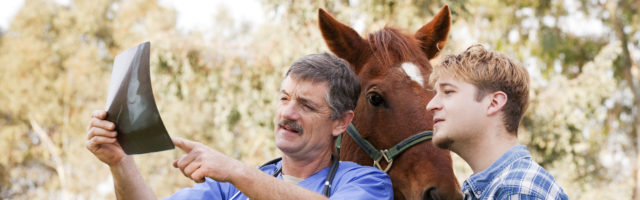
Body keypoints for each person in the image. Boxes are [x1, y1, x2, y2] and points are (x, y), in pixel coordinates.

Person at [86, 53, 393, 200]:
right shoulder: (228, 190)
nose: (287, 112)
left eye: (306, 105)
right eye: (284, 98)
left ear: (341, 121)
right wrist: (119, 161)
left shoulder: (367, 184)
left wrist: (236, 170)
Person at [426, 44, 569, 199]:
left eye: (448, 92)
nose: (431, 105)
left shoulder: (517, 190)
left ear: (494, 103)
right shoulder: (486, 190)